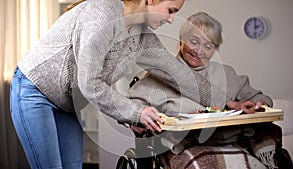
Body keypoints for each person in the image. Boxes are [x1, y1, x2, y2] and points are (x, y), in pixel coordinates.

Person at [8, 0, 222, 168]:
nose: (172, 20)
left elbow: (179, 74)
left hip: (66, 105)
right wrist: (136, 113)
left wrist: (227, 102)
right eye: (171, 10)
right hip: (34, 91)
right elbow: (90, 84)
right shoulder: (101, 14)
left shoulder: (141, 36)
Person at [128, 11, 293, 168]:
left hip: (231, 140)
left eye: (208, 46)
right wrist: (139, 119)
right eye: (194, 42)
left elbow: (261, 99)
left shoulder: (227, 74)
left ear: (215, 49)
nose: (199, 51)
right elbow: (132, 107)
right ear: (181, 40)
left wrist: (258, 105)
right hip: (184, 145)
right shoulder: (160, 75)